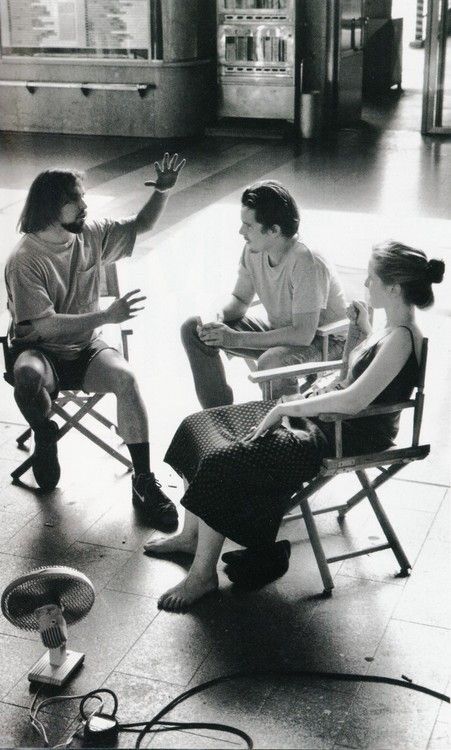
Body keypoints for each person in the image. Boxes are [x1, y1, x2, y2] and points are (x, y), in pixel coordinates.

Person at [144, 240, 444, 612]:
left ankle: (203, 575)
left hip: (338, 435)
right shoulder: (390, 329)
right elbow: (351, 377)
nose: (366, 283)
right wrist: (360, 333)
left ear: (395, 287)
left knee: (225, 459)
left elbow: (353, 400)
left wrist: (288, 407)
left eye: (372, 277)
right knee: (200, 426)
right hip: (322, 419)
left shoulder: (400, 338)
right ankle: (191, 536)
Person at [5, 152, 185, 531]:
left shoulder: (90, 233)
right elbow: (47, 326)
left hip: (86, 348)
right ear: (54, 207)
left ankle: (143, 481)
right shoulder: (25, 259)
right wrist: (106, 315)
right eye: (77, 199)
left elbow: (142, 225)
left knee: (127, 380)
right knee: (26, 376)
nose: (85, 205)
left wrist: (163, 192)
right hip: (40, 349)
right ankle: (44, 432)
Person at [181, 180, 347, 406]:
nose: (241, 231)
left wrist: (236, 338)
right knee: (195, 328)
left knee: (271, 362)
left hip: (325, 340)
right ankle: (220, 414)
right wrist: (216, 315)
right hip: (283, 331)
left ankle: (285, 430)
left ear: (274, 230)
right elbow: (240, 300)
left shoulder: (307, 260)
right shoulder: (254, 248)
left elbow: (303, 335)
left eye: (248, 225)